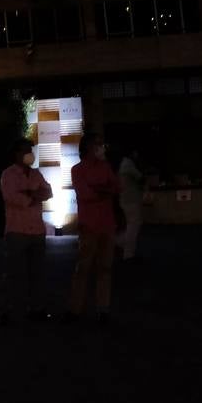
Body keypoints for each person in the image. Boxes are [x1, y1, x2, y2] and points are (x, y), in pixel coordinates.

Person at [65, 134, 121, 324]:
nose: (101, 148)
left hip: (107, 224)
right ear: (88, 147)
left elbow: (116, 187)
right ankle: (75, 309)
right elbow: (86, 194)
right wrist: (104, 189)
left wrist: (100, 189)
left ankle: (102, 308)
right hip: (89, 225)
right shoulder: (77, 170)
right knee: (84, 268)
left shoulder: (105, 167)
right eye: (98, 144)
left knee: (105, 268)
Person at [0, 139, 53, 323]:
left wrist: (29, 193)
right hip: (17, 230)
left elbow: (48, 192)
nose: (30, 153)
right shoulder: (8, 175)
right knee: (14, 273)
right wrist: (34, 194)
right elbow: (14, 198)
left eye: (30, 150)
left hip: (37, 230)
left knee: (37, 273)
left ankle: (36, 308)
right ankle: (10, 310)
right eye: (26, 150)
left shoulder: (36, 174)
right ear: (16, 154)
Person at [117, 146, 146, 261]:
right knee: (133, 226)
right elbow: (140, 178)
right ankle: (128, 253)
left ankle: (121, 244)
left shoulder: (124, 164)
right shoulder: (128, 164)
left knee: (132, 225)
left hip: (127, 199)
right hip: (131, 200)